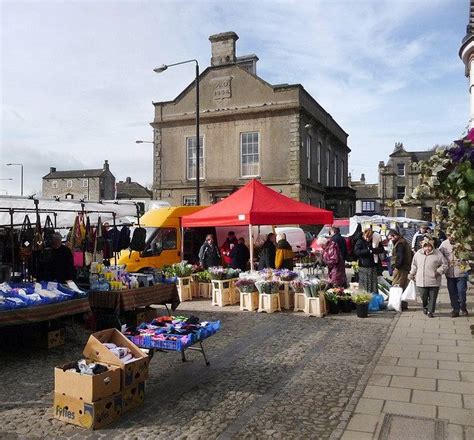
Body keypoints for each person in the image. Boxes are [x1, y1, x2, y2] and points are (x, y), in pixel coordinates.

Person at [409, 237, 447, 318]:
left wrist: (438, 271)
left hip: (434, 280)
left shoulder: (438, 253)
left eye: (429, 246)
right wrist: (411, 273)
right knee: (423, 296)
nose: (427, 248)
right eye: (426, 246)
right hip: (421, 280)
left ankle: (430, 311)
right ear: (423, 246)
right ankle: (425, 307)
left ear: (432, 246)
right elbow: (414, 265)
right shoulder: (418, 253)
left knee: (433, 297)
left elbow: (444, 265)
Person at [439, 236, 469, 317]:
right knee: (452, 293)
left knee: (461, 292)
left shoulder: (463, 243)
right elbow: (439, 256)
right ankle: (455, 309)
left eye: (453, 234)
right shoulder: (444, 244)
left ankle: (463, 306)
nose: (451, 236)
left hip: (461, 273)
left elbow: (469, 255)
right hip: (449, 273)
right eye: (449, 234)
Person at [387, 229, 413, 310]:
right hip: (406, 267)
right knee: (403, 286)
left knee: (396, 285)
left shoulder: (400, 244)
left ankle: (395, 304)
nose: (390, 240)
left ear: (395, 235)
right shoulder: (403, 241)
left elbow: (400, 257)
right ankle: (403, 305)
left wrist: (396, 266)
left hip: (401, 268)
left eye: (391, 238)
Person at [354, 229, 384, 293]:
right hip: (364, 265)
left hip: (373, 265)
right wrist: (368, 251)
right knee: (364, 284)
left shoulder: (375, 240)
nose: (368, 239)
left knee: (372, 283)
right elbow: (357, 252)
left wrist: (373, 250)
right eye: (367, 237)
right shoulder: (360, 241)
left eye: (370, 237)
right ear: (364, 235)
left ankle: (372, 297)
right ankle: (364, 297)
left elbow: (381, 249)